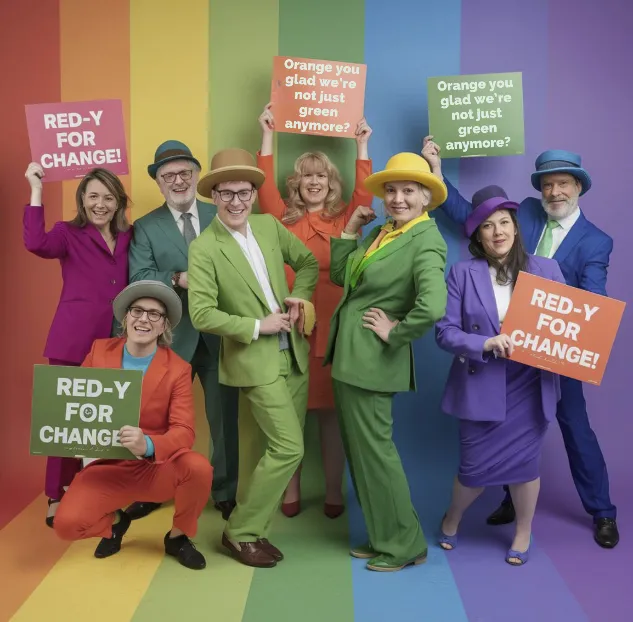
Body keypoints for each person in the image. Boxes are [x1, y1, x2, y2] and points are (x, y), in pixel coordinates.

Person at [422, 138, 619, 549]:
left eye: (563, 184)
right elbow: (471, 216)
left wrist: (576, 326)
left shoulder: (595, 241)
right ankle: (510, 503)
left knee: (574, 425)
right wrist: (435, 173)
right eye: (548, 185)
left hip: (551, 355)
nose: (555, 192)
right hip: (496, 354)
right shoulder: (521, 213)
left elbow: (593, 300)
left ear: (578, 187)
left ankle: (602, 511)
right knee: (496, 434)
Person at [188, 148, 319, 568]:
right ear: (213, 196)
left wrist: (299, 295)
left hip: (294, 354)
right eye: (226, 193)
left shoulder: (267, 225)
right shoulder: (205, 248)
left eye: (243, 192)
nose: (236, 202)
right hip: (254, 360)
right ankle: (240, 532)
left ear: (252, 192)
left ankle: (254, 530)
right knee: (288, 448)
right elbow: (201, 313)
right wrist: (255, 326)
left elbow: (308, 263)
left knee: (279, 446)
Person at [324, 152, 448, 572]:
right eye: (392, 191)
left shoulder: (426, 240)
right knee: (361, 455)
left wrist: (394, 332)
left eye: (408, 191)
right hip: (349, 357)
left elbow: (432, 306)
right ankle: (383, 538)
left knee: (376, 455)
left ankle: (404, 544)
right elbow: (344, 278)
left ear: (426, 197)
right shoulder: (383, 232)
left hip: (373, 363)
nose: (397, 198)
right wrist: (351, 231)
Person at [435, 186, 565, 566]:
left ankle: (523, 532)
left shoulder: (547, 270)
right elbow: (445, 333)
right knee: (473, 470)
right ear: (477, 235)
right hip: (481, 382)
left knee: (526, 467)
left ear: (515, 226)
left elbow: (567, 325)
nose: (498, 232)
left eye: (504, 223)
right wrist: (486, 342)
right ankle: (452, 517)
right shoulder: (462, 274)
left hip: (530, 383)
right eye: (488, 226)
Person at [257, 103, 374, 518]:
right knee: (289, 418)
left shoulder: (344, 219)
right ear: (297, 182)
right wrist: (268, 133)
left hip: (330, 332)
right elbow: (264, 185)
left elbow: (366, 195)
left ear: (330, 182)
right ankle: (289, 493)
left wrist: (362, 145)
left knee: (329, 419)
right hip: (289, 332)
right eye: (306, 175)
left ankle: (333, 492)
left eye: (320, 175)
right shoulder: (279, 219)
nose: (313, 181)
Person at [53, 280, 212, 570]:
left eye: (154, 314)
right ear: (125, 317)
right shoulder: (98, 352)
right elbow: (74, 407)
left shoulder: (178, 369)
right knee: (65, 525)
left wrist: (148, 444)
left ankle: (178, 537)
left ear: (164, 326)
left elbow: (184, 431)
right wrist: (69, 436)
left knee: (199, 468)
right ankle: (117, 521)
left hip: (154, 468)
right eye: (137, 311)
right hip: (107, 466)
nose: (144, 319)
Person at [127, 140, 239, 522]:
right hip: (174, 336)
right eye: (168, 175)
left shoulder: (223, 213)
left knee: (224, 416)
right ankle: (153, 488)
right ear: (159, 183)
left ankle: (224, 491)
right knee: (158, 420)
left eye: (185, 173)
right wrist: (177, 277)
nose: (178, 180)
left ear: (196, 176)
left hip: (221, 333)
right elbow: (139, 277)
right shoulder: (145, 227)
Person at [23, 162, 132, 527]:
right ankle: (56, 494)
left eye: (108, 197)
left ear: (119, 202)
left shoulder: (131, 236)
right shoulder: (67, 233)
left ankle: (102, 491)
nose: (101, 203)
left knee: (107, 422)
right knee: (65, 420)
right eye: (93, 196)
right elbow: (35, 243)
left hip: (116, 340)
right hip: (71, 338)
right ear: (82, 200)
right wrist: (36, 189)